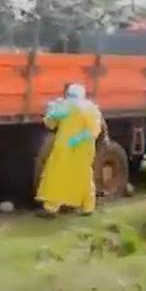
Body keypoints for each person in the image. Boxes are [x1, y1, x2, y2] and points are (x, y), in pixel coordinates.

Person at [36, 83, 102, 217]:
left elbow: (50, 123)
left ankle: (51, 208)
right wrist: (78, 140)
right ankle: (87, 207)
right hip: (85, 149)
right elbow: (95, 130)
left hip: (65, 147)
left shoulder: (64, 107)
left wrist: (49, 110)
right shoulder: (91, 108)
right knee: (84, 175)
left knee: (57, 175)